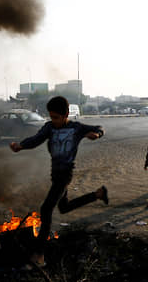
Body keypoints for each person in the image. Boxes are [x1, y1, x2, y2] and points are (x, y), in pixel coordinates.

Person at [10, 96, 108, 267]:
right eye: (51, 117)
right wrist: (21, 145)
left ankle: (39, 255)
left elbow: (99, 128)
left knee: (46, 209)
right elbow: (36, 138)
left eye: (56, 117)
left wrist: (96, 134)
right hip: (55, 174)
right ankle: (98, 194)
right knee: (64, 207)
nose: (53, 121)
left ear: (66, 115)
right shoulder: (49, 127)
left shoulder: (76, 127)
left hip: (65, 175)